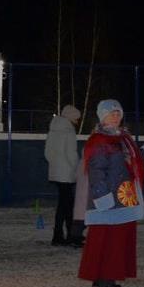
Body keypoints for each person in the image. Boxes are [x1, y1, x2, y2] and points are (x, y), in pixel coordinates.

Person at [75, 99, 144, 287]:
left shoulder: (123, 138)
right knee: (109, 241)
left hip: (124, 198)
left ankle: (101, 278)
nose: (116, 116)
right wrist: (102, 196)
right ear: (102, 116)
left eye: (118, 113)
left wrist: (143, 154)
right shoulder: (99, 141)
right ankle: (106, 282)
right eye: (111, 113)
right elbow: (96, 171)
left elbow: (127, 161)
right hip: (109, 199)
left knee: (114, 241)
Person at [45, 104, 83, 247]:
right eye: (76, 119)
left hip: (56, 171)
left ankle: (60, 235)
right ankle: (68, 236)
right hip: (67, 173)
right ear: (71, 117)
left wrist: (55, 164)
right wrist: (77, 168)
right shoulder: (69, 131)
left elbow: (47, 153)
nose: (77, 122)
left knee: (63, 204)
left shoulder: (53, 130)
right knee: (67, 205)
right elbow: (72, 154)